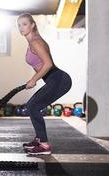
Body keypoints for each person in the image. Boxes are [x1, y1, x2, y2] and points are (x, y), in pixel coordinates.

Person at [17, 13, 72, 155]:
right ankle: (40, 139)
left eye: (24, 24)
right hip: (54, 80)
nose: (21, 27)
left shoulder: (35, 41)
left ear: (32, 25)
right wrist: (35, 78)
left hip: (59, 79)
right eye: (19, 25)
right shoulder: (32, 42)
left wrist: (34, 79)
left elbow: (48, 64)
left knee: (33, 106)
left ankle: (44, 145)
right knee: (32, 106)